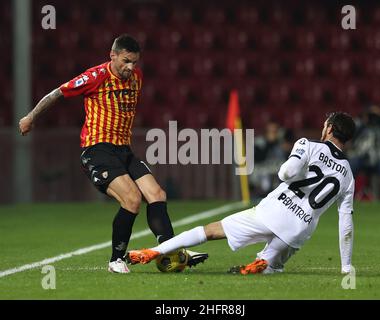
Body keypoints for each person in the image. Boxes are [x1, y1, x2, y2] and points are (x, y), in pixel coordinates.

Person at [19, 34, 208, 274]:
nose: (130, 67)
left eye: (135, 63)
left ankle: (169, 250)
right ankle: (116, 260)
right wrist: (31, 117)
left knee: (157, 194)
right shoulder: (95, 76)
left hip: (123, 150)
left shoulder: (136, 77)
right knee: (132, 199)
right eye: (126, 61)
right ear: (113, 55)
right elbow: (57, 93)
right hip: (97, 149)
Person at [125, 112, 356, 275]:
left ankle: (154, 251)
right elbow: (346, 224)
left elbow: (287, 173)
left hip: (273, 211)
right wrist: (346, 267)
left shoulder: (309, 144)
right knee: (274, 266)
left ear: (329, 128)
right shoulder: (348, 175)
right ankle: (266, 262)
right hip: (299, 229)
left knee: (210, 231)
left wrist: (289, 169)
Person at [348, 105, 380, 200]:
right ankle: (344, 195)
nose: (371, 118)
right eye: (370, 115)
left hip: (377, 160)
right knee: (350, 167)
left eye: (373, 116)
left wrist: (379, 114)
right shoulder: (359, 124)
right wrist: (364, 119)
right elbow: (352, 134)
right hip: (361, 158)